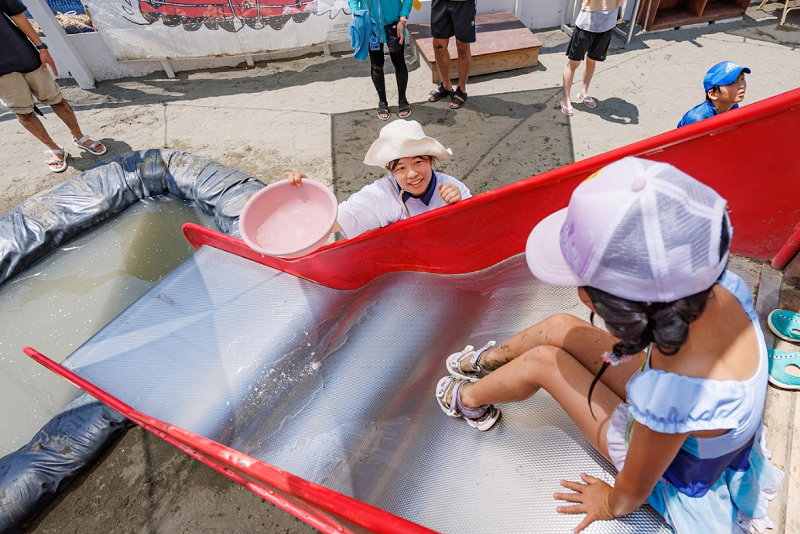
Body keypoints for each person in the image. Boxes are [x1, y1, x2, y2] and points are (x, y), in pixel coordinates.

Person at [435, 156, 783, 533]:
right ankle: (488, 362)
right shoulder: (722, 286)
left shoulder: (672, 391)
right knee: (560, 326)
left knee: (543, 361)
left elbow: (635, 486)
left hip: (677, 468)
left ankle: (468, 399)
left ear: (611, 301)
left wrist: (609, 502)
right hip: (695, 423)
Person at [286, 119, 470, 239]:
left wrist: (460, 207)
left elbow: (476, 231)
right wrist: (308, 196)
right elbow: (330, 223)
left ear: (430, 160)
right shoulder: (380, 195)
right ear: (390, 171)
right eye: (401, 168)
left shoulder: (454, 189)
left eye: (418, 162)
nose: (412, 174)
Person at [0, 0, 107, 173]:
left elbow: (17, 15)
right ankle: (55, 149)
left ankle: (79, 136)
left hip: (24, 57)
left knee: (56, 100)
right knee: (24, 113)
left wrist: (42, 48)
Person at [348, 0, 413, 120]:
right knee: (377, 65)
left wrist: (403, 18)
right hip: (371, 27)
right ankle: (382, 102)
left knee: (399, 63)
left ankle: (403, 100)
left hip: (395, 25)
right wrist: (355, 13)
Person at [561, 0, 622, 116]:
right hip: (586, 24)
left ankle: (584, 93)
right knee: (574, 63)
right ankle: (566, 99)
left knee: (592, 61)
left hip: (607, 25)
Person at [426, 0, 476, 110]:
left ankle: (461, 89)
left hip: (464, 3)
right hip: (440, 3)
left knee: (462, 46)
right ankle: (446, 86)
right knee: (439, 45)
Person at [677, 61, 750, 128]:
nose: (741, 85)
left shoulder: (732, 106)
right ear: (713, 94)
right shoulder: (697, 119)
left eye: (742, 79)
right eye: (732, 82)